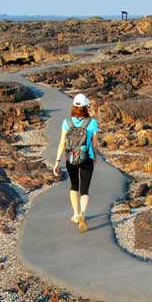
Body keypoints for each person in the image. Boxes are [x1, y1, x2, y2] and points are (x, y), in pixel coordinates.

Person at [52, 93, 101, 232]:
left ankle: (75, 214)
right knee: (84, 190)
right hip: (87, 158)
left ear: (74, 106)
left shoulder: (66, 122)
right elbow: (95, 144)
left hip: (70, 158)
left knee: (74, 186)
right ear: (86, 106)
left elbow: (62, 142)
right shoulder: (92, 123)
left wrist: (57, 161)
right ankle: (82, 214)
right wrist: (95, 157)